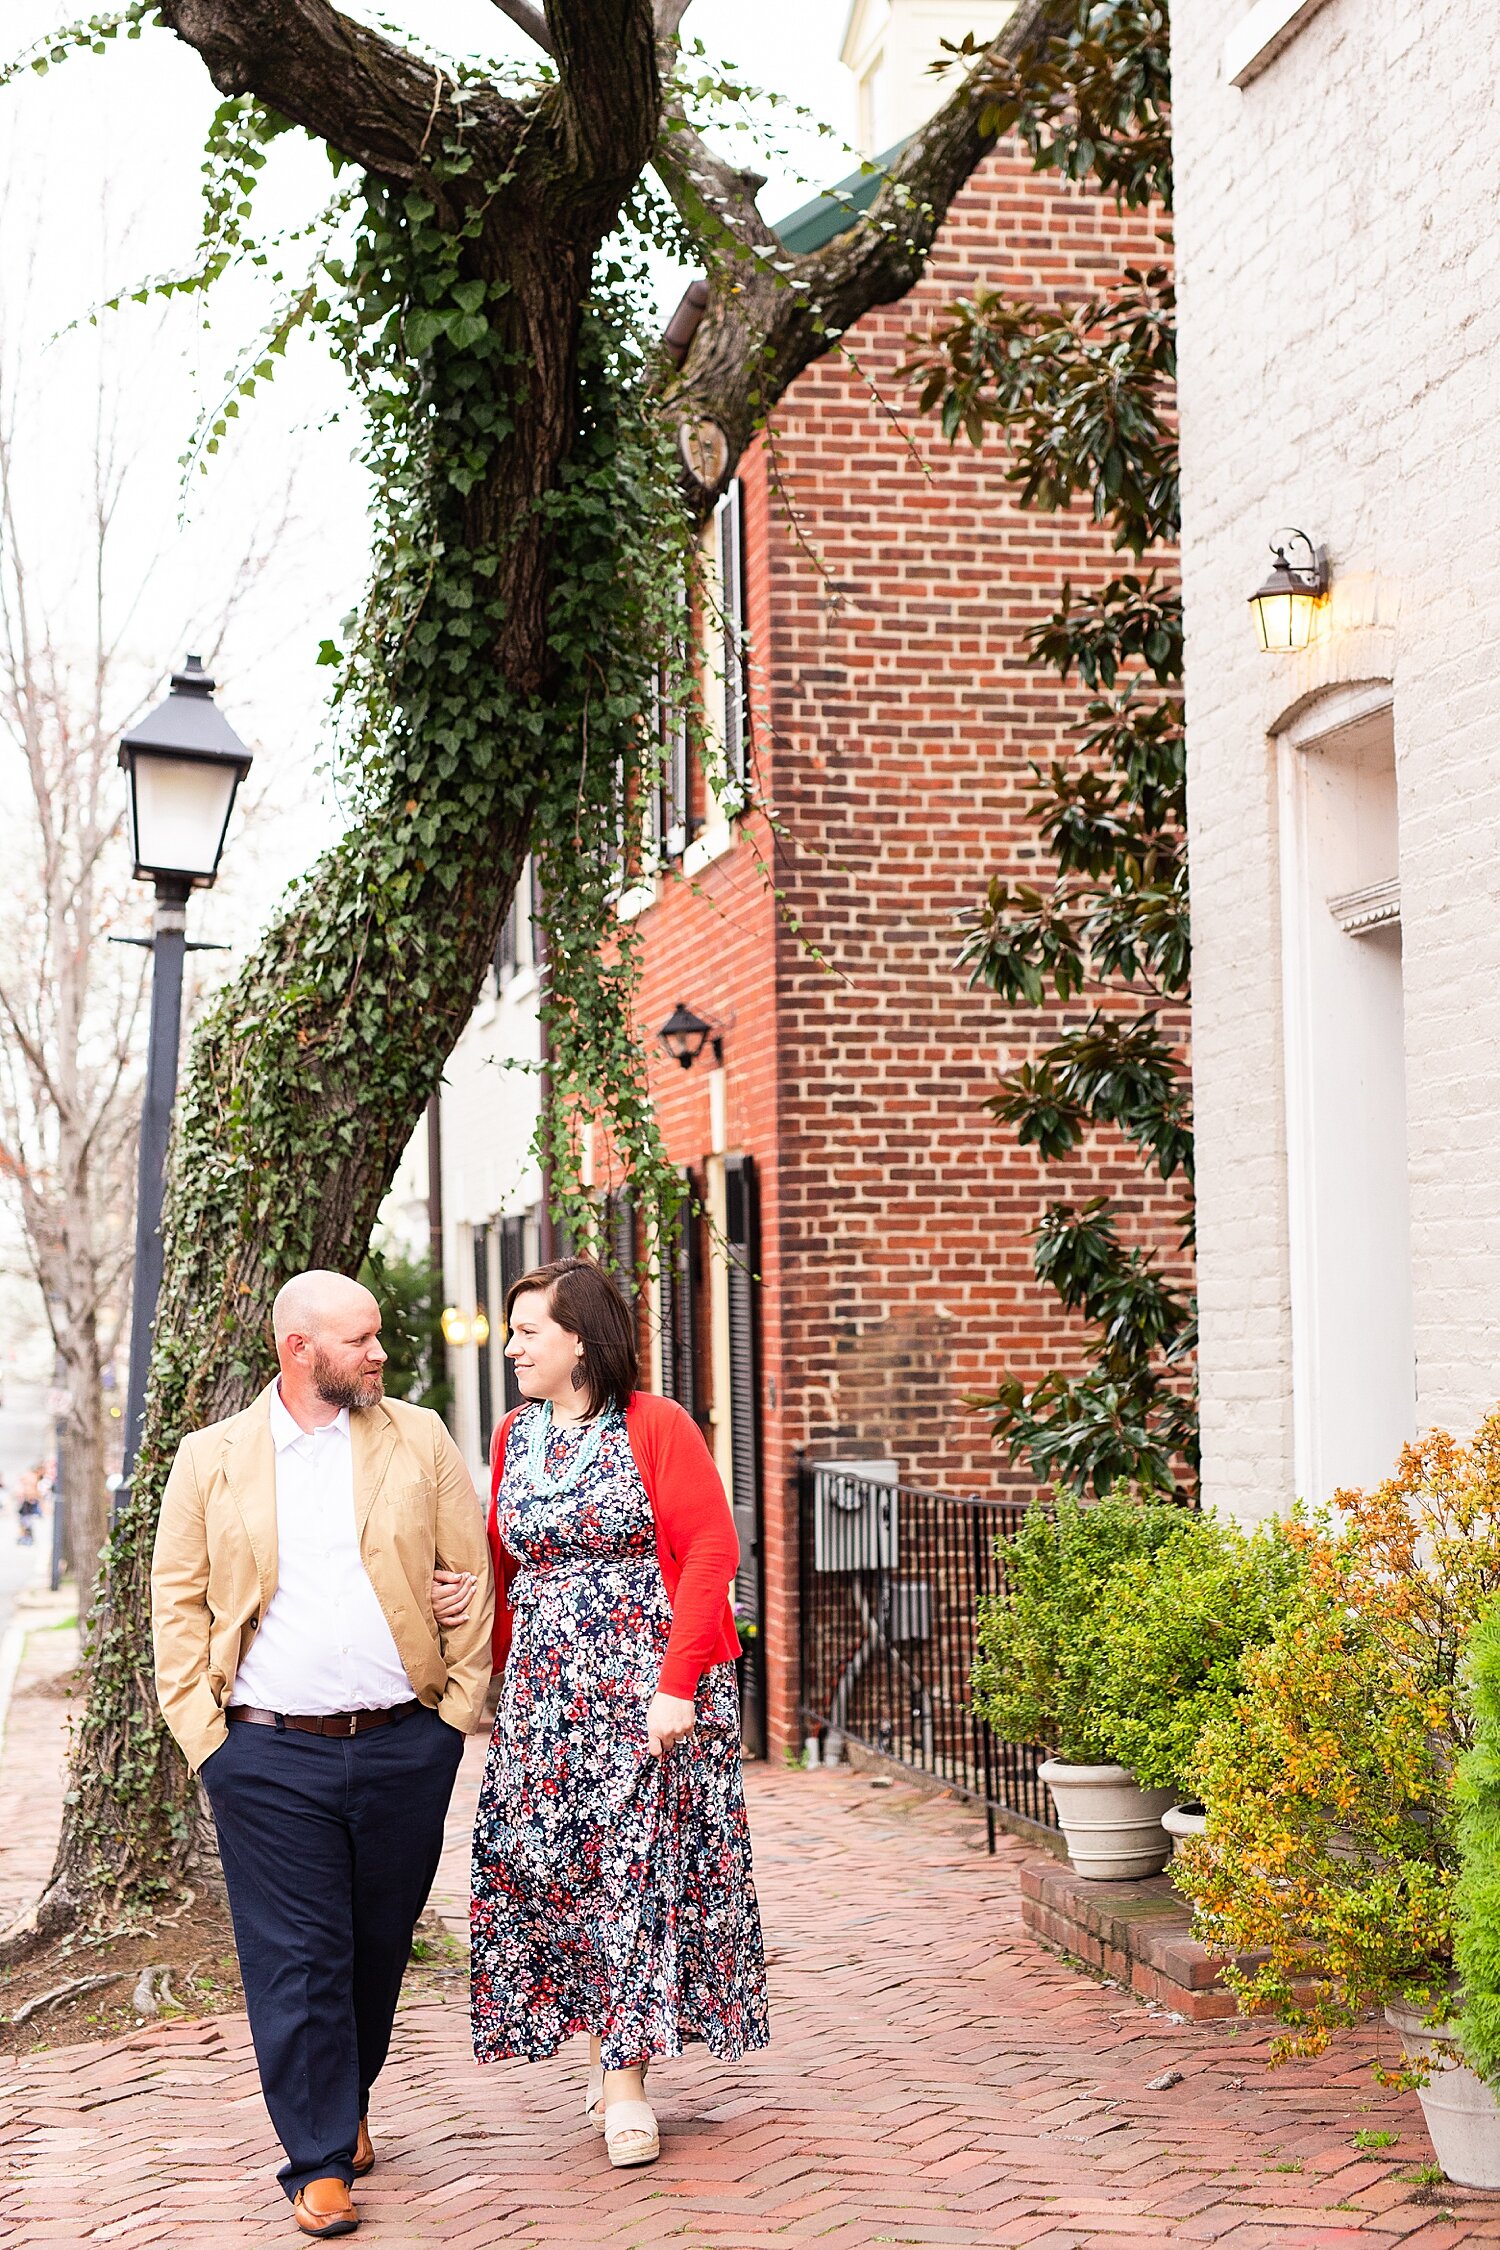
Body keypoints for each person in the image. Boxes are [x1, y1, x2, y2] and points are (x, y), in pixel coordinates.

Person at [151, 1269, 494, 2240]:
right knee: (298, 1958)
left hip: (401, 1746)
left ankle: (345, 2103)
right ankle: (315, 2159)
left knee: (377, 1946)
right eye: (359, 1339)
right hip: (267, 1755)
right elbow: (176, 1602)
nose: (379, 1352)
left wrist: (454, 1716)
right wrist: (206, 1740)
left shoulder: (417, 1438)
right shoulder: (212, 1459)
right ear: (297, 1350)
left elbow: (467, 1574)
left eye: (376, 1335)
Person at [434, 1254, 769, 2170]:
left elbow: (710, 1552)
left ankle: (625, 2079)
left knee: (633, 1870)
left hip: (644, 1685)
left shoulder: (655, 1425)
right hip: (544, 1695)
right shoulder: (514, 1434)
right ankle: (601, 2044)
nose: (511, 1347)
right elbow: (508, 1567)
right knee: (555, 1871)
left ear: (581, 1339)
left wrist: (676, 1683)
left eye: (528, 1331)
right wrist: (479, 1642)